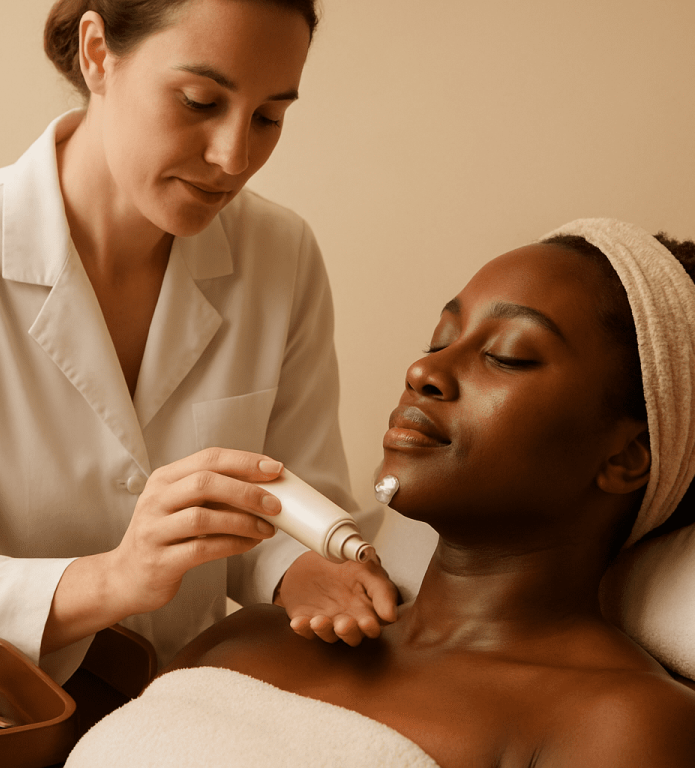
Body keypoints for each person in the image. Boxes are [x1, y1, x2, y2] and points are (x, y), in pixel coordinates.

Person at [64, 219, 695, 767]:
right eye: (439, 340)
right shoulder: (250, 637)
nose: (424, 371)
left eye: (507, 356)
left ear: (626, 455)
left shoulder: (621, 723)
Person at [0, 0, 399, 684]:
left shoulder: (282, 254)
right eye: (200, 100)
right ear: (97, 54)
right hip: (2, 718)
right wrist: (117, 577)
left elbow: (290, 508)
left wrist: (305, 566)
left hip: (185, 712)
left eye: (269, 117)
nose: (234, 157)